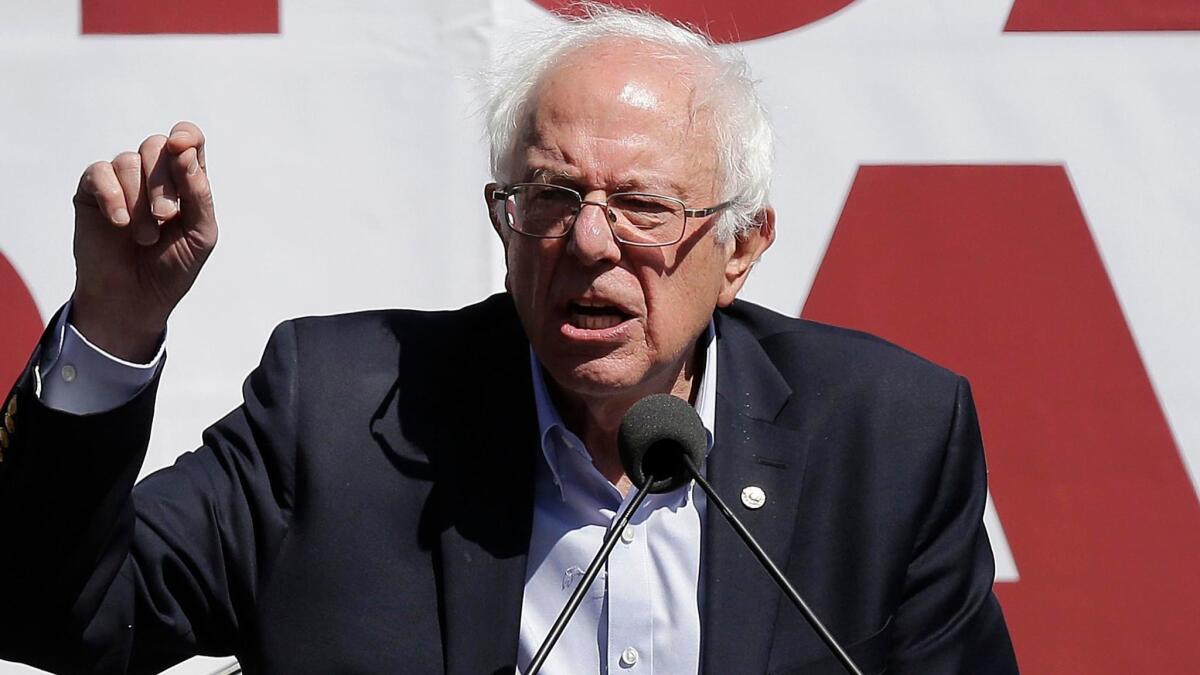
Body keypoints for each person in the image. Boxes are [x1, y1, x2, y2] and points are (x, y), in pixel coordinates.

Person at [0, 5, 1018, 674]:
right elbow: (61, 616)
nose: (585, 241)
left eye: (644, 209)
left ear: (743, 247)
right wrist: (116, 326)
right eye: (552, 195)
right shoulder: (341, 414)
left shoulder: (886, 439)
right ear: (503, 217)